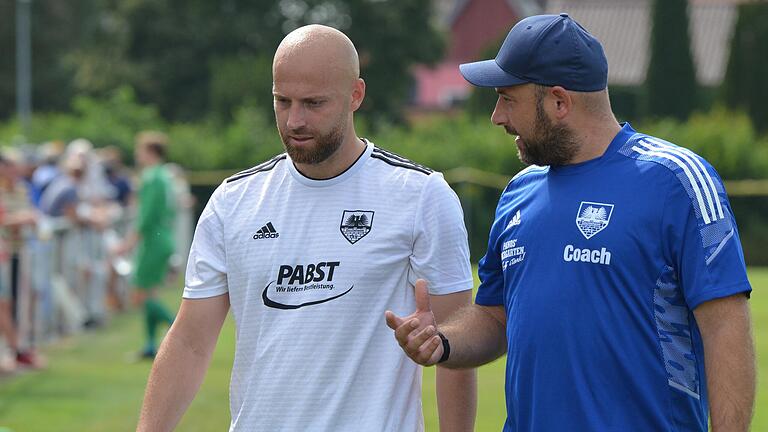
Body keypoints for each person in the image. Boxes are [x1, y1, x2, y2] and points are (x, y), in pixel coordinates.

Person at [386, 13, 756, 432]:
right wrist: (444, 340)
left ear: (559, 102)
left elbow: (725, 324)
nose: (496, 117)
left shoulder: (676, 179)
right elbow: (494, 319)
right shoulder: (518, 192)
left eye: (508, 98)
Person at [136, 24, 476, 432]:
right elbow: (190, 341)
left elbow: (457, 347)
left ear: (356, 95)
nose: (295, 120)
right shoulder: (233, 201)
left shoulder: (420, 195)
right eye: (283, 101)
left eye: (313, 103)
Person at [115, 132, 176, 358]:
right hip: (163, 238)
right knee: (150, 293)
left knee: (139, 295)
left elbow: (146, 215)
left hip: (153, 241)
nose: (136, 154)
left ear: (150, 152)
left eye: (139, 150)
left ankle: (175, 329)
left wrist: (128, 242)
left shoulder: (152, 177)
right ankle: (150, 345)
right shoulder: (165, 175)